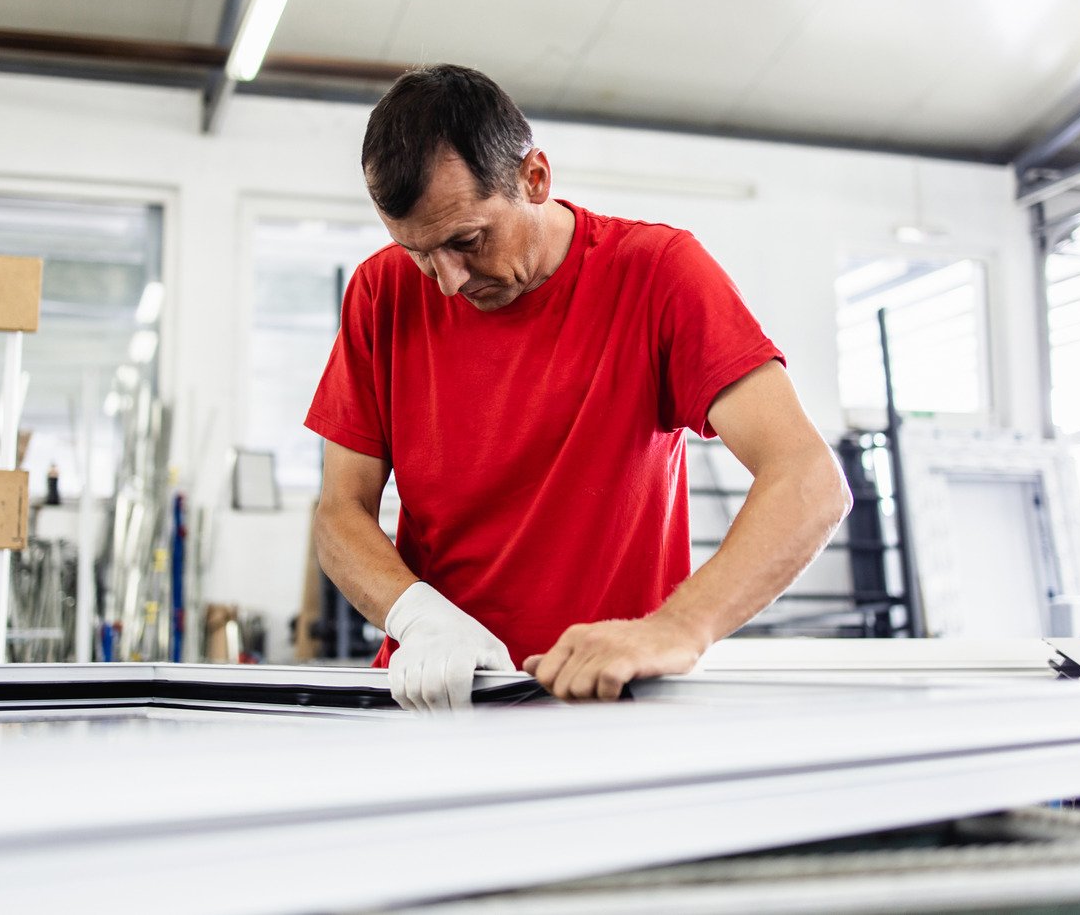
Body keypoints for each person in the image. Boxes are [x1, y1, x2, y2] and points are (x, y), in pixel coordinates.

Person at [305, 65, 850, 711]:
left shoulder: (657, 274)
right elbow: (340, 511)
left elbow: (809, 479)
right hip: (439, 695)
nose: (446, 281)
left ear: (534, 178)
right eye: (419, 252)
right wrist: (417, 615)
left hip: (604, 698)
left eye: (467, 241)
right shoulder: (381, 291)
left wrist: (678, 629)